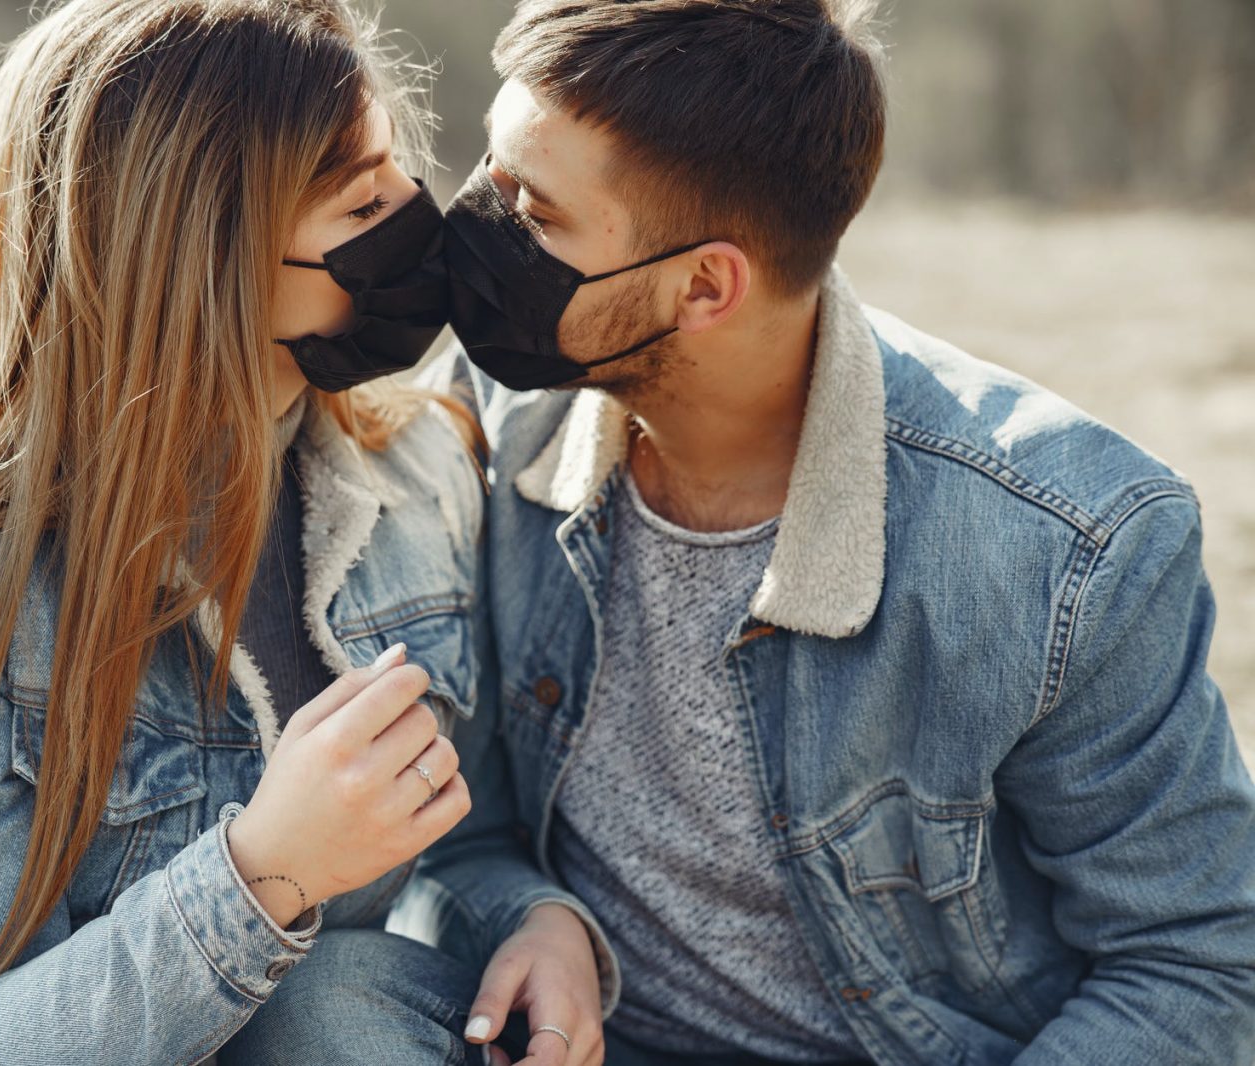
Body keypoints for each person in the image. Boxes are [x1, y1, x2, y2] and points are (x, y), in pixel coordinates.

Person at [402, 1, 1255, 1064]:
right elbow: (460, 825)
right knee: (337, 1007)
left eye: (532, 213)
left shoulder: (1067, 549)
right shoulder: (483, 415)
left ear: (705, 285)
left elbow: (1194, 958)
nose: (473, 226)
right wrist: (530, 915)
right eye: (491, 170)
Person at [0, 1, 514, 1061]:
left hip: (298, 1035)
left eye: (396, 165)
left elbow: (467, 834)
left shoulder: (423, 471)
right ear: (200, 255)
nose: (417, 214)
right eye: (360, 200)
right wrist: (263, 874)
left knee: (331, 1003)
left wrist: (532, 919)